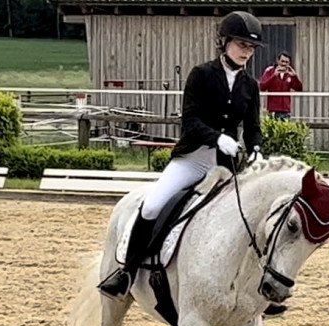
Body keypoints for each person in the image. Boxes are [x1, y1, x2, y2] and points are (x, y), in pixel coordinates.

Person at [98, 11, 265, 301]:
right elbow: (190, 121)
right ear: (224, 42)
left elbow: (252, 128)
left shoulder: (250, 86)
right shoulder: (201, 74)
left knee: (249, 219)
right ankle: (126, 272)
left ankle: (256, 288)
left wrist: (257, 150)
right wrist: (217, 138)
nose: (246, 52)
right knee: (151, 207)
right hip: (192, 160)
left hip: (225, 167)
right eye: (241, 45)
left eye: (250, 48)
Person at [259, 51, 303, 120]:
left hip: (286, 110)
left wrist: (295, 77)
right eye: (282, 61)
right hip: (273, 110)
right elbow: (262, 87)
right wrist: (274, 76)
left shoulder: (289, 74)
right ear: (278, 61)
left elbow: (299, 89)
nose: (284, 64)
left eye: (286, 62)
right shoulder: (270, 71)